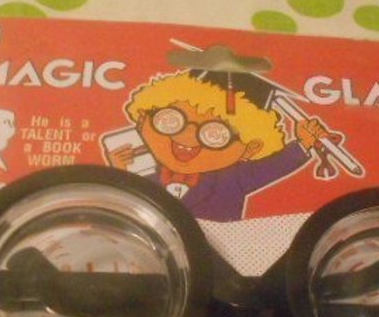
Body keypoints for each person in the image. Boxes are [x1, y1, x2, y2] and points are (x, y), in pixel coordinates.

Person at [105, 71, 329, 222]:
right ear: (143, 118)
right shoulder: (142, 177)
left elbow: (272, 167)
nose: (188, 136)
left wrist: (303, 143)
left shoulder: (232, 178)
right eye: (170, 121)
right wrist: (119, 174)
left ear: (250, 148)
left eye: (215, 134)